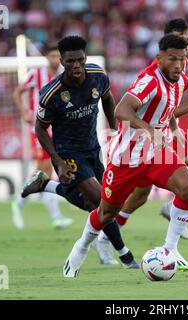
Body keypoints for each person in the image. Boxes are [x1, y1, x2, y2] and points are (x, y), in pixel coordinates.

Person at [63, 34, 188, 278]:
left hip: (156, 153)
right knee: (106, 213)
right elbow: (121, 110)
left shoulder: (181, 81)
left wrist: (173, 130)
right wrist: (148, 130)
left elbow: (169, 109)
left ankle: (170, 250)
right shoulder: (148, 81)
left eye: (182, 59)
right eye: (172, 59)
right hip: (127, 158)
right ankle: (81, 247)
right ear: (159, 59)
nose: (178, 64)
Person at [21, 35, 139, 268]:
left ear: (85, 58)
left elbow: (107, 97)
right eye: (70, 61)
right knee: (101, 201)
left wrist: (115, 126)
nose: (76, 66)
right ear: (62, 62)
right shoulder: (51, 93)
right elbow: (40, 129)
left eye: (79, 60)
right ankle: (124, 254)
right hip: (67, 154)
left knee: (94, 204)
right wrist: (58, 162)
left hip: (93, 148)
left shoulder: (97, 76)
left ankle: (47, 186)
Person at [102, 19, 188, 241]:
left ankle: (172, 209)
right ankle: (108, 236)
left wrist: (175, 131)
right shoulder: (154, 73)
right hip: (143, 139)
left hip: (168, 134)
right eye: (180, 38)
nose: (185, 42)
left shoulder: (181, 72)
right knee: (139, 196)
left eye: (187, 39)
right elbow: (140, 111)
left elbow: (169, 110)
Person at [11, 45, 73, 230]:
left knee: (47, 171)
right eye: (52, 56)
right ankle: (26, 204)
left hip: (59, 127)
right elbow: (18, 91)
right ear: (47, 57)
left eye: (57, 56)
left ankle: (24, 204)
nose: (55, 59)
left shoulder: (65, 75)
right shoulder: (36, 74)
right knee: (45, 167)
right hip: (40, 127)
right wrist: (23, 111)